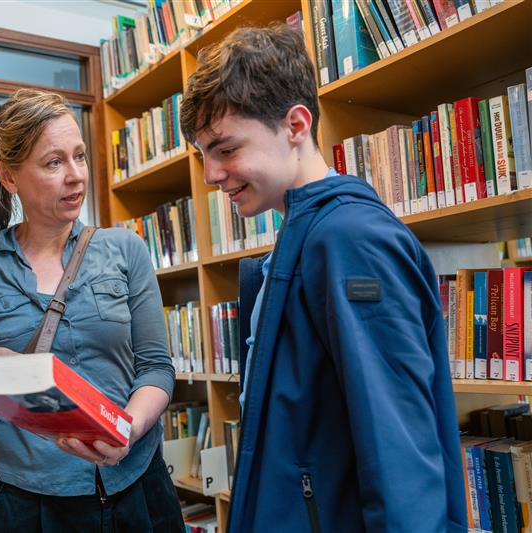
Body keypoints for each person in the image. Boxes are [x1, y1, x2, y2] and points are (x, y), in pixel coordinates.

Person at [180, 24, 467, 533]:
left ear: (295, 125)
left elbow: (396, 443)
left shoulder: (351, 242)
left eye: (225, 149)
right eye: (203, 153)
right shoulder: (306, 231)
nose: (209, 175)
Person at [0, 88, 183, 532]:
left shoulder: (125, 249)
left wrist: (126, 430)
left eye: (80, 157)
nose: (76, 176)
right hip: (29, 507)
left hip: (137, 489)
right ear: (9, 177)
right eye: (54, 162)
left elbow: (156, 368)